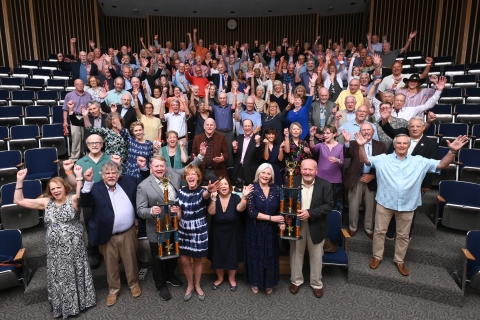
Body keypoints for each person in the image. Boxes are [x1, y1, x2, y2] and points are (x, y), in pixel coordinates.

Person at [355, 132, 469, 276]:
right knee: (379, 232)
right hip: (385, 203)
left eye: (405, 143)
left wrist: (452, 151)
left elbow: (442, 164)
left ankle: (399, 260)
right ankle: (377, 256)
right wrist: (361, 146)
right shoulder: (383, 159)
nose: (402, 145)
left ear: (409, 146)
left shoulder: (420, 161)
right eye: (399, 143)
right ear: (394, 145)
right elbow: (365, 160)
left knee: (403, 235)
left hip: (408, 205)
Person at [14, 168, 96, 318]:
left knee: (74, 273)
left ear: (65, 187)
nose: (56, 191)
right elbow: (19, 200)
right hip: (55, 250)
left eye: (59, 187)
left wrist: (79, 178)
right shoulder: (46, 202)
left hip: (74, 247)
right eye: (53, 189)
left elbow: (81, 196)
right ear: (50, 192)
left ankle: (81, 302)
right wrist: (19, 181)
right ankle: (63, 306)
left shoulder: (72, 199)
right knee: (60, 276)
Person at [136, 152, 205, 301]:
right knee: (159, 257)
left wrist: (200, 157)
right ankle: (161, 285)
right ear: (151, 167)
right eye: (156, 166)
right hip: (157, 227)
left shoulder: (172, 174)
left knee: (173, 254)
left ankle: (170, 275)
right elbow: (140, 210)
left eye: (162, 165)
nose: (160, 168)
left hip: (175, 225)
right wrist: (150, 211)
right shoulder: (143, 186)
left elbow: (188, 170)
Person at [80, 160, 145, 306]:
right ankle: (114, 290)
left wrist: (143, 168)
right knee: (111, 265)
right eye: (107, 173)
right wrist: (87, 182)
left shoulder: (128, 181)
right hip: (107, 234)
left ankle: (134, 284)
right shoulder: (95, 188)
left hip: (128, 232)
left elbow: (143, 183)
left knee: (131, 261)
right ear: (102, 175)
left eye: (114, 172)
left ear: (118, 174)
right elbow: (84, 203)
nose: (111, 175)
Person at [380, 117, 440, 239]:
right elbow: (389, 158)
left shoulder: (431, 144)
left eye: (418, 126)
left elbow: (432, 165)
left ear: (423, 127)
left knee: (409, 209)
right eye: (412, 126)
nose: (415, 128)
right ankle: (391, 230)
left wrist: (426, 184)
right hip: (394, 180)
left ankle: (407, 234)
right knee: (392, 205)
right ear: (408, 128)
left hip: (415, 183)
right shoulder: (400, 140)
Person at [287, 159, 333, 298]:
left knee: (316, 256)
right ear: (300, 170)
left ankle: (316, 283)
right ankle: (296, 280)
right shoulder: (291, 182)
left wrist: (310, 213)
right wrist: (289, 215)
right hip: (296, 225)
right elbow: (285, 202)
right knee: (296, 254)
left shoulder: (325, 185)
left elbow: (329, 205)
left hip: (316, 224)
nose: (307, 172)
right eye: (304, 169)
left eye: (310, 169)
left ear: (316, 171)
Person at [177, 165, 220, 301]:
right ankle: (190, 285)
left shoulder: (203, 191)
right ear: (185, 178)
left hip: (198, 230)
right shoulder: (180, 192)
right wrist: (176, 212)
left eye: (193, 174)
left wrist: (210, 191)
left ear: (198, 177)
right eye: (188, 174)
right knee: (184, 261)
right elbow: (179, 216)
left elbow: (205, 196)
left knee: (197, 260)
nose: (191, 176)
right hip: (183, 230)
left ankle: (197, 285)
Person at [244, 164, 284, 294]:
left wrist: (282, 221)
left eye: (268, 173)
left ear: (271, 176)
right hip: (255, 229)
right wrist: (272, 218)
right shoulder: (252, 188)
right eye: (263, 173)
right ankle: (255, 282)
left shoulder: (277, 189)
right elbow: (252, 213)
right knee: (256, 255)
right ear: (258, 174)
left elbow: (281, 209)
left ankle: (269, 282)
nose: (265, 176)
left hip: (271, 230)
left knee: (270, 255)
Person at [342, 123, 387, 238]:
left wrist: (373, 176)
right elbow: (347, 154)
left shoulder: (381, 146)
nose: (366, 132)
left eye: (368, 130)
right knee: (353, 205)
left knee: (371, 206)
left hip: (371, 179)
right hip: (356, 178)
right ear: (360, 132)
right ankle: (352, 227)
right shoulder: (353, 143)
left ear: (373, 132)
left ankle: (369, 229)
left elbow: (384, 165)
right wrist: (346, 142)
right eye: (364, 130)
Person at [208, 178, 252, 292]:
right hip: (217, 232)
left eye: (226, 184)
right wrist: (213, 198)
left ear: (230, 186)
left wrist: (244, 197)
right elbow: (211, 212)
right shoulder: (214, 197)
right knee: (218, 255)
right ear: (217, 187)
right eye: (221, 184)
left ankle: (232, 278)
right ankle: (220, 278)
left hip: (233, 232)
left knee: (232, 255)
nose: (223, 186)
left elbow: (240, 209)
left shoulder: (235, 197)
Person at [308, 125, 345, 213]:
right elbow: (312, 148)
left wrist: (337, 160)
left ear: (334, 134)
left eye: (328, 133)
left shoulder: (340, 146)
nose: (325, 135)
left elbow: (343, 163)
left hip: (335, 180)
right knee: (320, 203)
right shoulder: (321, 145)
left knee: (335, 204)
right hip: (321, 179)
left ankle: (335, 224)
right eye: (324, 133)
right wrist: (312, 136)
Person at [191, 118, 229, 185]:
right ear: (204, 126)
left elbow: (226, 154)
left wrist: (222, 158)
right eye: (207, 125)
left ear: (215, 127)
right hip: (202, 171)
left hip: (217, 171)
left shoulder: (221, 138)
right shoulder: (197, 138)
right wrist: (194, 159)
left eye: (211, 125)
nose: (209, 127)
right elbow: (193, 154)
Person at [62, 79, 93, 161]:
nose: (80, 85)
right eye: (78, 84)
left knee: (86, 137)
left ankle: (86, 156)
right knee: (76, 138)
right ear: (74, 85)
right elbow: (65, 109)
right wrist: (65, 121)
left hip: (86, 117)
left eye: (81, 84)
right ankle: (74, 157)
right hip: (75, 117)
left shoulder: (88, 95)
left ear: (84, 85)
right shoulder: (69, 95)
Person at [231, 119, 263, 185]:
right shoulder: (238, 138)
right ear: (242, 128)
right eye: (245, 126)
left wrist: (257, 144)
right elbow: (235, 156)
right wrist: (234, 149)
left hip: (250, 172)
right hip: (238, 169)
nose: (247, 128)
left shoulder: (258, 139)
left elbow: (259, 158)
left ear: (253, 127)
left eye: (249, 126)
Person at [286, 74, 317, 140]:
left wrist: (312, 84)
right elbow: (287, 126)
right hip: (292, 138)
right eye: (295, 100)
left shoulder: (305, 109)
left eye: (299, 100)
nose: (297, 101)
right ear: (293, 102)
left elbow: (311, 96)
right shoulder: (289, 113)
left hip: (304, 137)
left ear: (302, 102)